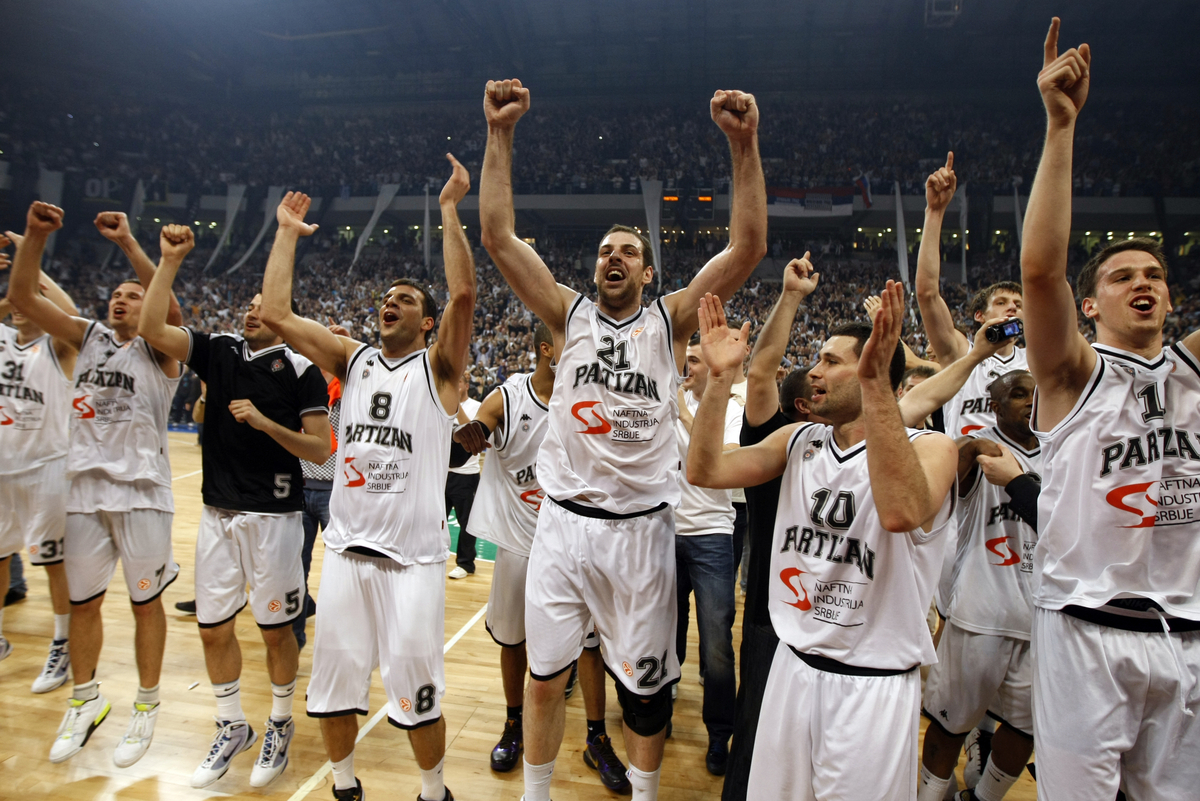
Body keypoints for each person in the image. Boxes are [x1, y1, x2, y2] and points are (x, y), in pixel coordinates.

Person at [479, 77, 766, 801]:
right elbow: (498, 236)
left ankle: (643, 794)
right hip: (563, 529)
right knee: (545, 681)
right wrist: (500, 133)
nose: (613, 257)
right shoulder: (565, 314)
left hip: (642, 534)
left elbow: (749, 245)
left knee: (643, 695)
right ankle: (536, 794)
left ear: (647, 269)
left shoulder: (669, 322)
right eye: (605, 249)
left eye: (628, 250)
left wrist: (743, 145)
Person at [1021, 18, 1200, 800]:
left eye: (1155, 273)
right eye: (1123, 273)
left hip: (1187, 631)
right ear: (1089, 304)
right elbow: (1038, 268)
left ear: (1172, 295)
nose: (1143, 282)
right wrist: (1062, 126)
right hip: (1087, 624)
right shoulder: (1071, 372)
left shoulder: (1191, 368)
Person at [259, 156, 475, 801]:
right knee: (331, 690)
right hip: (347, 553)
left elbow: (463, 294)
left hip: (413, 562)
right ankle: (345, 787)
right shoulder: (351, 358)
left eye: (406, 300)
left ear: (427, 322)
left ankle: (433, 791)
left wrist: (447, 209)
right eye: (387, 298)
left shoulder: (439, 372)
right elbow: (275, 312)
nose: (391, 303)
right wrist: (285, 233)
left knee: (416, 694)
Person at [688, 284, 957, 800]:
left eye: (830, 361)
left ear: (873, 369)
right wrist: (721, 379)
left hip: (871, 683)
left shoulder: (933, 448)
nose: (813, 370)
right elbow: (704, 470)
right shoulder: (798, 440)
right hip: (791, 666)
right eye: (817, 359)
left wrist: (878, 385)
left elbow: (901, 510)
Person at [137, 228, 331, 789]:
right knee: (211, 627)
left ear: (281, 315)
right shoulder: (219, 351)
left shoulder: (300, 369)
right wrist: (169, 262)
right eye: (246, 305)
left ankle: (278, 722)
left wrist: (268, 424)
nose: (250, 312)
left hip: (274, 519)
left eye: (260, 306)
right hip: (217, 515)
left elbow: (321, 448)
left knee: (277, 634)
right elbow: (153, 329)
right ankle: (230, 725)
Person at [7, 205, 183, 766]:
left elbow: (171, 308)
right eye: (116, 294)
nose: (121, 299)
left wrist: (135, 246)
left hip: (142, 493)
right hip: (82, 490)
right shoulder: (89, 337)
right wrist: (35, 238)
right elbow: (26, 301)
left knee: (144, 606)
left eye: (133, 294)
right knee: (82, 605)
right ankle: (85, 701)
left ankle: (147, 706)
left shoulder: (159, 351)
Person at [462, 322, 631, 792]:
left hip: (576, 541)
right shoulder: (512, 395)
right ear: (545, 350)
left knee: (591, 646)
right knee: (513, 641)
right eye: (572, 344)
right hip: (520, 543)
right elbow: (487, 419)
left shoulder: (593, 394)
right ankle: (514, 723)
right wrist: (476, 430)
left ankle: (596, 737)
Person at [918, 371, 1040, 801]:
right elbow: (958, 467)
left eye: (1035, 392)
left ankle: (983, 796)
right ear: (995, 405)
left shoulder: (1064, 445)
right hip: (980, 613)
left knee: (1026, 728)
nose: (1031, 400)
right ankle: (932, 795)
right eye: (1019, 394)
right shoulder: (979, 448)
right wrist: (970, 447)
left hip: (1045, 617)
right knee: (950, 723)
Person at [0, 231, 80, 694]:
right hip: (4, 467)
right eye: (13, 300)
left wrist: (32, 258)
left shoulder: (56, 345)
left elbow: (67, 312)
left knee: (52, 561)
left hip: (46, 465)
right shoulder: (3, 337)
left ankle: (63, 642)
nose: (16, 305)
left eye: (24, 298)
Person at [915, 153, 1026, 439]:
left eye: (1018, 305)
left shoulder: (1035, 362)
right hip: (968, 479)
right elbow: (927, 293)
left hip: (1027, 478)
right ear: (980, 316)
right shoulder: (960, 353)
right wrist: (935, 213)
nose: (1012, 309)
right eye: (1001, 303)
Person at [674, 331, 742, 775]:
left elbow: (718, 454)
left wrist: (679, 410)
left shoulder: (732, 410)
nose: (688, 367)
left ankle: (719, 734)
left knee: (717, 642)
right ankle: (659, 701)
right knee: (663, 628)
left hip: (713, 533)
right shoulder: (661, 407)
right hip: (663, 530)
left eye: (695, 360)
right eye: (686, 359)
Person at [293, 359, 343, 651]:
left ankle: (336, 646)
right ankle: (295, 638)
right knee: (296, 569)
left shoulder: (345, 388)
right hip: (299, 488)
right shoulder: (300, 383)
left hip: (334, 492)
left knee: (339, 572)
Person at [446, 371, 482, 579]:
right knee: (435, 519)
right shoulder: (442, 405)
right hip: (442, 472)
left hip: (466, 475)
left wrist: (455, 406)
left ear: (466, 385)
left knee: (466, 522)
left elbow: (472, 430)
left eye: (457, 382)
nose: (453, 386)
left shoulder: (476, 407)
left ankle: (466, 564)